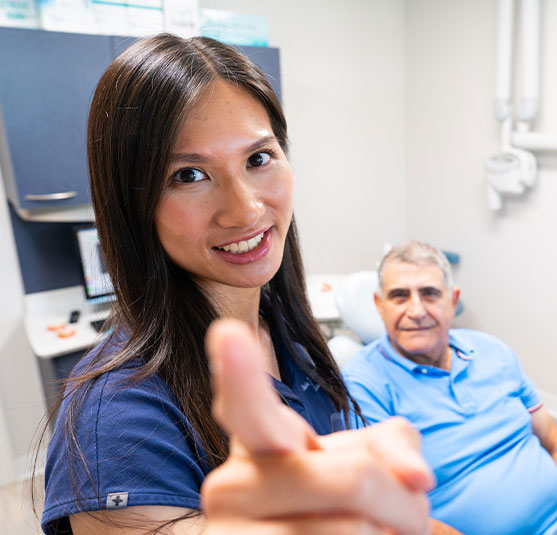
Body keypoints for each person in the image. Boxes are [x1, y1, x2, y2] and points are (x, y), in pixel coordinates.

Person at [37, 34, 445, 535]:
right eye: (189, 175)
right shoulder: (117, 422)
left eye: (258, 159)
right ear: (132, 203)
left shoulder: (284, 335)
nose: (246, 208)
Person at [343, 241, 557, 535]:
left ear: (453, 301)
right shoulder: (364, 385)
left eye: (430, 293)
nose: (416, 310)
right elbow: (385, 506)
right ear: (379, 304)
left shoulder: (492, 351)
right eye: (400, 295)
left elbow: (555, 441)